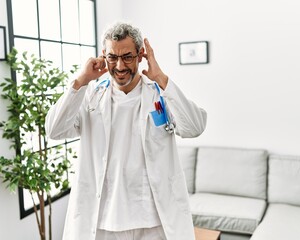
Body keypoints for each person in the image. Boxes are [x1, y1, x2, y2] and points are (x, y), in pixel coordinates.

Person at [45, 22, 207, 240]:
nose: (120, 66)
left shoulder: (158, 93)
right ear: (103, 55)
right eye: (112, 57)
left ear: (141, 55)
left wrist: (160, 77)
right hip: (103, 222)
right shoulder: (91, 95)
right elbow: (55, 130)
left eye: (127, 57)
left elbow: (194, 127)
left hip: (153, 222)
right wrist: (82, 80)